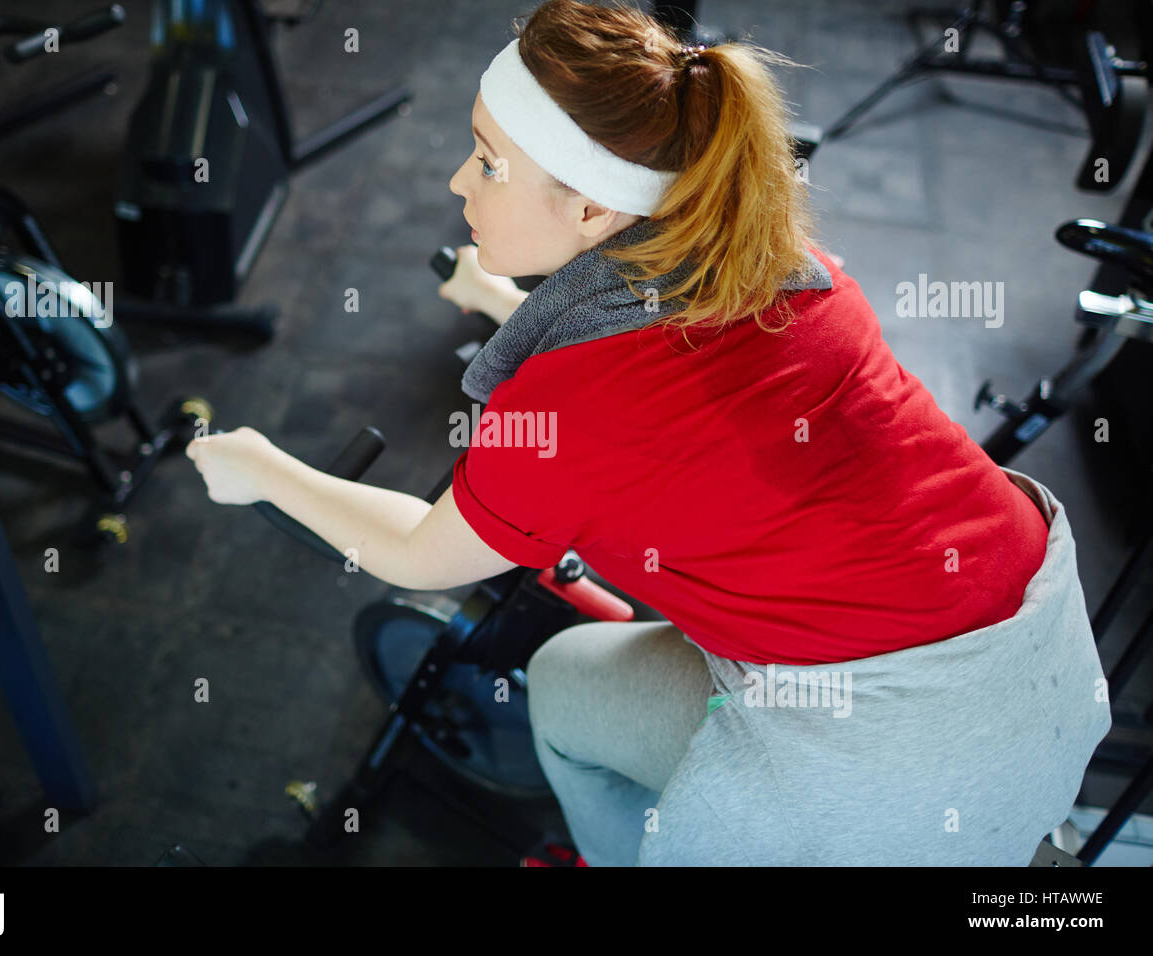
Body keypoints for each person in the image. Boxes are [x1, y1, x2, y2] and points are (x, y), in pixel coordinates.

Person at [185, 0, 1111, 866]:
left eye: (488, 162)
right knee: (614, 661)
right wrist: (505, 305)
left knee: (561, 690)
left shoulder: (575, 413)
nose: (456, 179)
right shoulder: (789, 266)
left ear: (592, 209)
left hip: (888, 756)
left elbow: (421, 555)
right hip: (1045, 662)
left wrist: (262, 469)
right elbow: (672, 362)